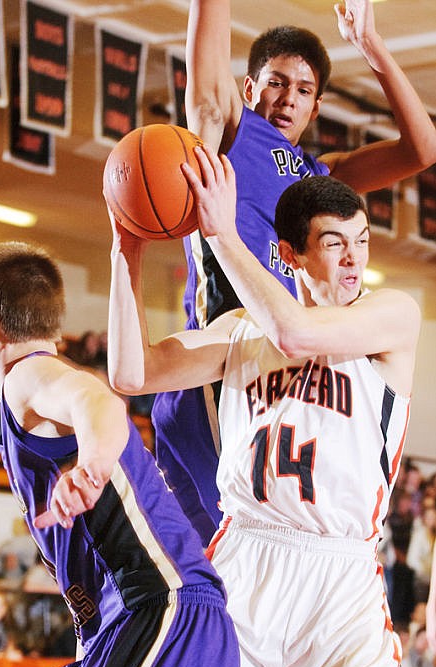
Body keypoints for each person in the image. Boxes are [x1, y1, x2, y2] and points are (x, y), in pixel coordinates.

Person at [106, 151, 421, 667]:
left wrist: (221, 235)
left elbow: (297, 335)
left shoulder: (392, 319)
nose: (355, 258)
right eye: (335, 243)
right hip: (246, 559)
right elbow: (130, 370)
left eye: (361, 241)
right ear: (290, 255)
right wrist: (128, 247)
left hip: (341, 575)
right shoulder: (241, 331)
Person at [150, 0, 436, 549]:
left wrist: (373, 47)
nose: (288, 98)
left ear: (317, 105)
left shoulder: (321, 177)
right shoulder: (230, 132)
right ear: (250, 88)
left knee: (234, 576)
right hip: (217, 373)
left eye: (304, 90)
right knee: (233, 566)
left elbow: (421, 149)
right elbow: (208, 93)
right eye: (277, 82)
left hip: (272, 382)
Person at [0, 241, 239, 667]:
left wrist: (93, 466)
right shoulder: (27, 391)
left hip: (159, 613)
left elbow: (96, 398)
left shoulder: (27, 376)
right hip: (114, 632)